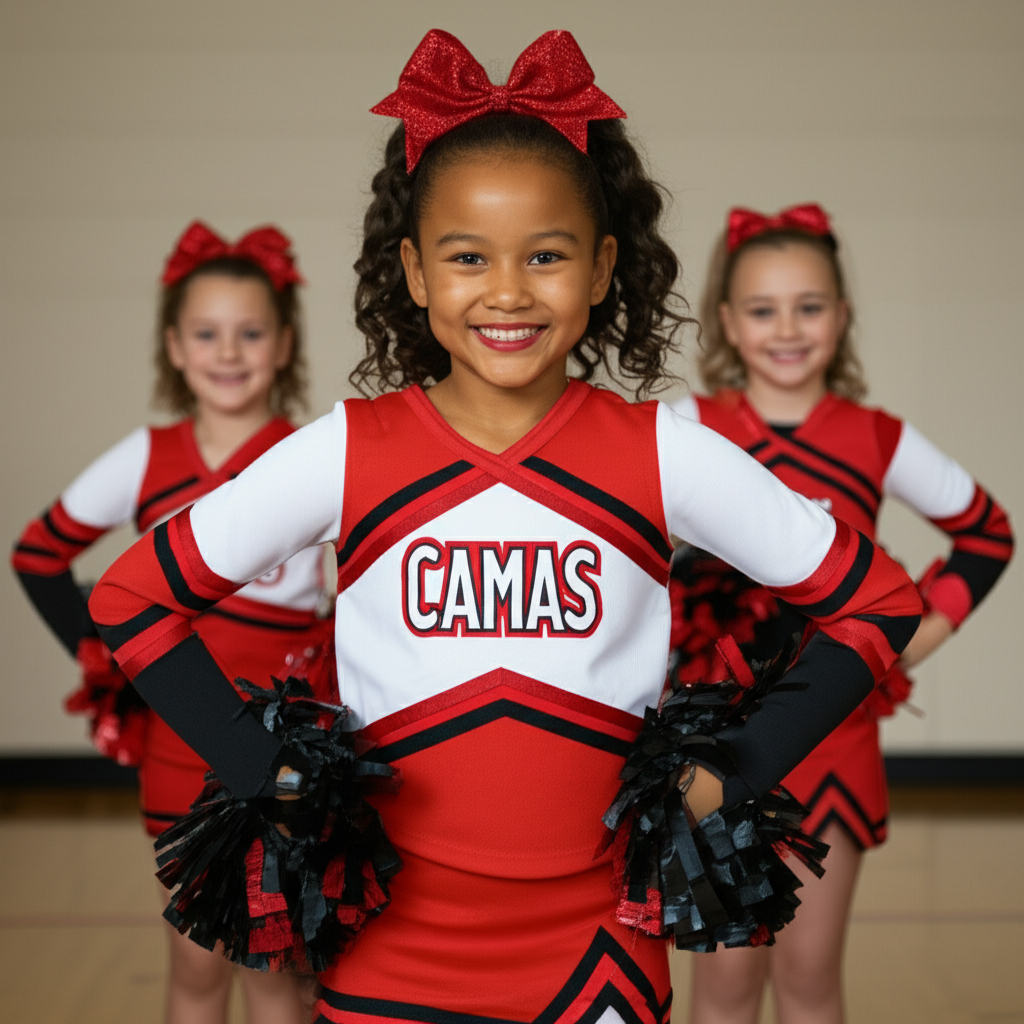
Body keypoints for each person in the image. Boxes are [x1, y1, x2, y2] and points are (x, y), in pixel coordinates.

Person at [86, 33, 923, 1024]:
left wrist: (737, 765)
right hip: (388, 938)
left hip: (597, 940)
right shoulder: (347, 450)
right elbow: (130, 595)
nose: (508, 291)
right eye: (468, 257)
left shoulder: (664, 450)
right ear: (414, 271)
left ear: (605, 265)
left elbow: (881, 600)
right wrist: (254, 769)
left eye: (547, 255)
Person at [672, 203, 1014, 1024]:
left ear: (843, 314)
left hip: (836, 733)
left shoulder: (877, 437)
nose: (786, 328)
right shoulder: (687, 429)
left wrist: (913, 641)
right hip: (717, 738)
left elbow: (987, 533)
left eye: (810, 305)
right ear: (726, 320)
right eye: (762, 309)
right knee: (721, 981)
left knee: (810, 977)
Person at [11, 221, 330, 1024]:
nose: (229, 352)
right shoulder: (147, 457)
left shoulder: (314, 455)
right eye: (207, 333)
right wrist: (107, 659)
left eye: (251, 332)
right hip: (180, 754)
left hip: (284, 750)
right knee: (196, 970)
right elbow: (39, 554)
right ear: (175, 348)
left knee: (281, 975)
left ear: (285, 344)